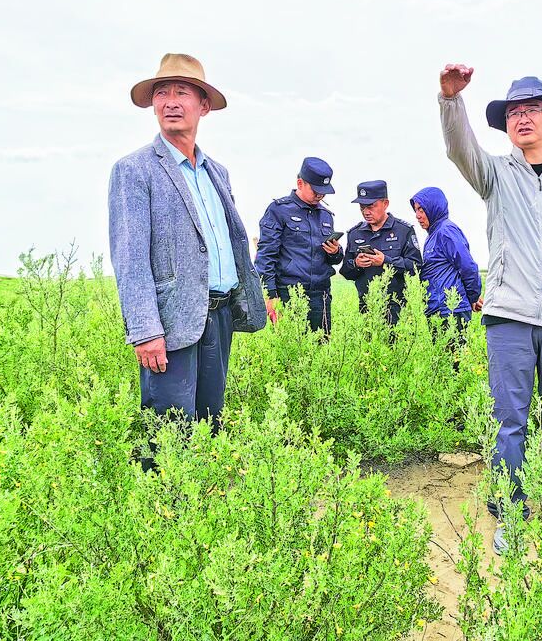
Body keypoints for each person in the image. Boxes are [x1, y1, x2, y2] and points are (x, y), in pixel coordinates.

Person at [438, 63, 542, 553]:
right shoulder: (495, 174)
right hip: (509, 317)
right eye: (513, 112)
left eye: (532, 109)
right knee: (509, 419)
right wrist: (450, 100)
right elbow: (458, 149)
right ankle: (511, 513)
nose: (522, 119)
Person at [109, 53, 266, 459]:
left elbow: (228, 243)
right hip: (170, 323)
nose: (171, 102)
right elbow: (130, 260)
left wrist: (250, 296)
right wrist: (145, 330)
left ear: (204, 105)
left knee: (209, 423)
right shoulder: (135, 170)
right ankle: (160, 513)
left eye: (182, 92)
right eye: (162, 93)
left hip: (219, 316)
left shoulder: (218, 172)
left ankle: (198, 512)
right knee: (168, 430)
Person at [254, 157, 343, 336]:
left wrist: (335, 252)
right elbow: (266, 256)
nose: (320, 195)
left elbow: (333, 259)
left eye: (324, 192)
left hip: (321, 296)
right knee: (291, 355)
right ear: (300, 183)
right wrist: (271, 295)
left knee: (322, 354)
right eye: (316, 190)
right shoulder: (278, 210)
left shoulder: (326, 216)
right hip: (289, 296)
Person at [340, 180, 423, 326]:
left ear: (385, 203)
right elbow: (346, 271)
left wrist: (386, 261)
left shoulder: (403, 231)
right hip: (367, 309)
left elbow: (415, 266)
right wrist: (356, 264)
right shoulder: (355, 233)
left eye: (371, 206)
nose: (366, 212)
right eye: (362, 207)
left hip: (397, 310)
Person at [409, 186, 482, 343]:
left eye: (421, 210)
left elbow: (467, 266)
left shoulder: (446, 231)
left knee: (453, 363)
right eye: (416, 211)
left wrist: (473, 296)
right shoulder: (432, 236)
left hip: (451, 309)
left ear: (433, 207)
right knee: (442, 363)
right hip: (437, 309)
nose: (417, 216)